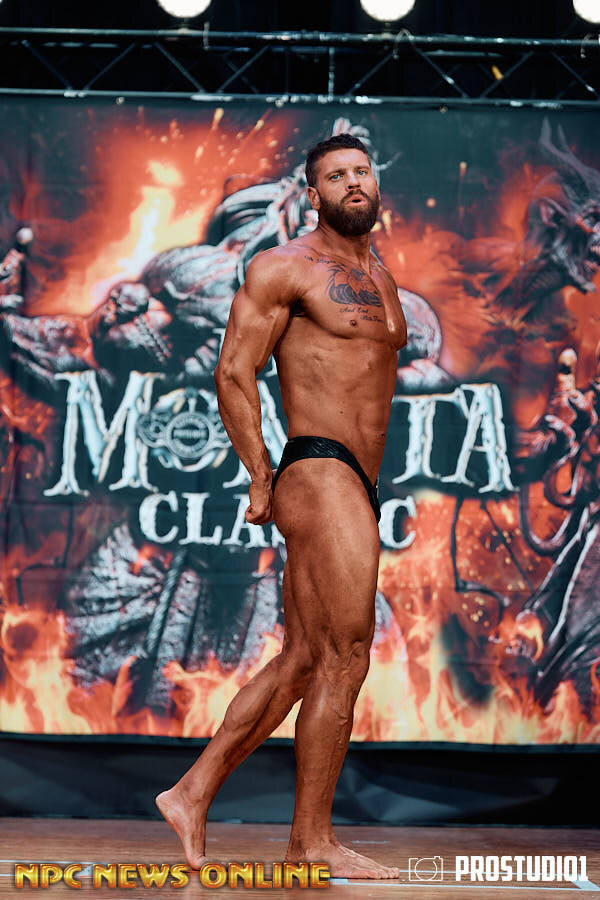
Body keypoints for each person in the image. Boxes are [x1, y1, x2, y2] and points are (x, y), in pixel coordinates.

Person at [156, 133, 407, 879]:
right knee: (346, 655)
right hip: (318, 467)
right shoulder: (284, 267)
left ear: (375, 184)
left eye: (362, 171)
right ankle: (310, 841)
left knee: (303, 660)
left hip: (358, 479)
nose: (353, 183)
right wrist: (260, 474)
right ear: (312, 194)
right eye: (336, 176)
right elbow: (234, 372)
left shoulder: (382, 275)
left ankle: (190, 793)